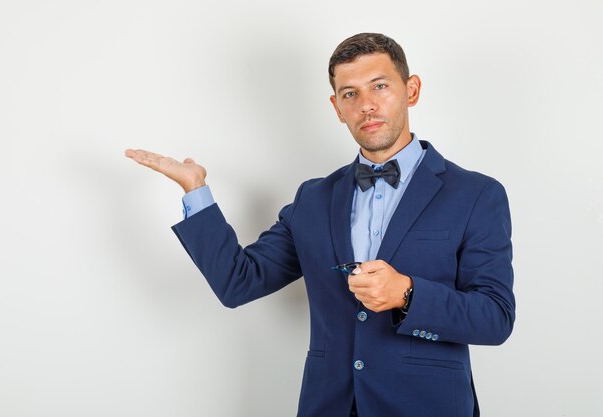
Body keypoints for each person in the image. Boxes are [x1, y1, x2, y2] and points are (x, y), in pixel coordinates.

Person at [125, 33, 515, 417]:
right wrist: (196, 190)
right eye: (350, 94)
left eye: (380, 86)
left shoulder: (477, 194)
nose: (366, 106)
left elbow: (495, 318)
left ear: (411, 90)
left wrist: (408, 294)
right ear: (336, 106)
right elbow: (237, 282)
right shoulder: (314, 199)